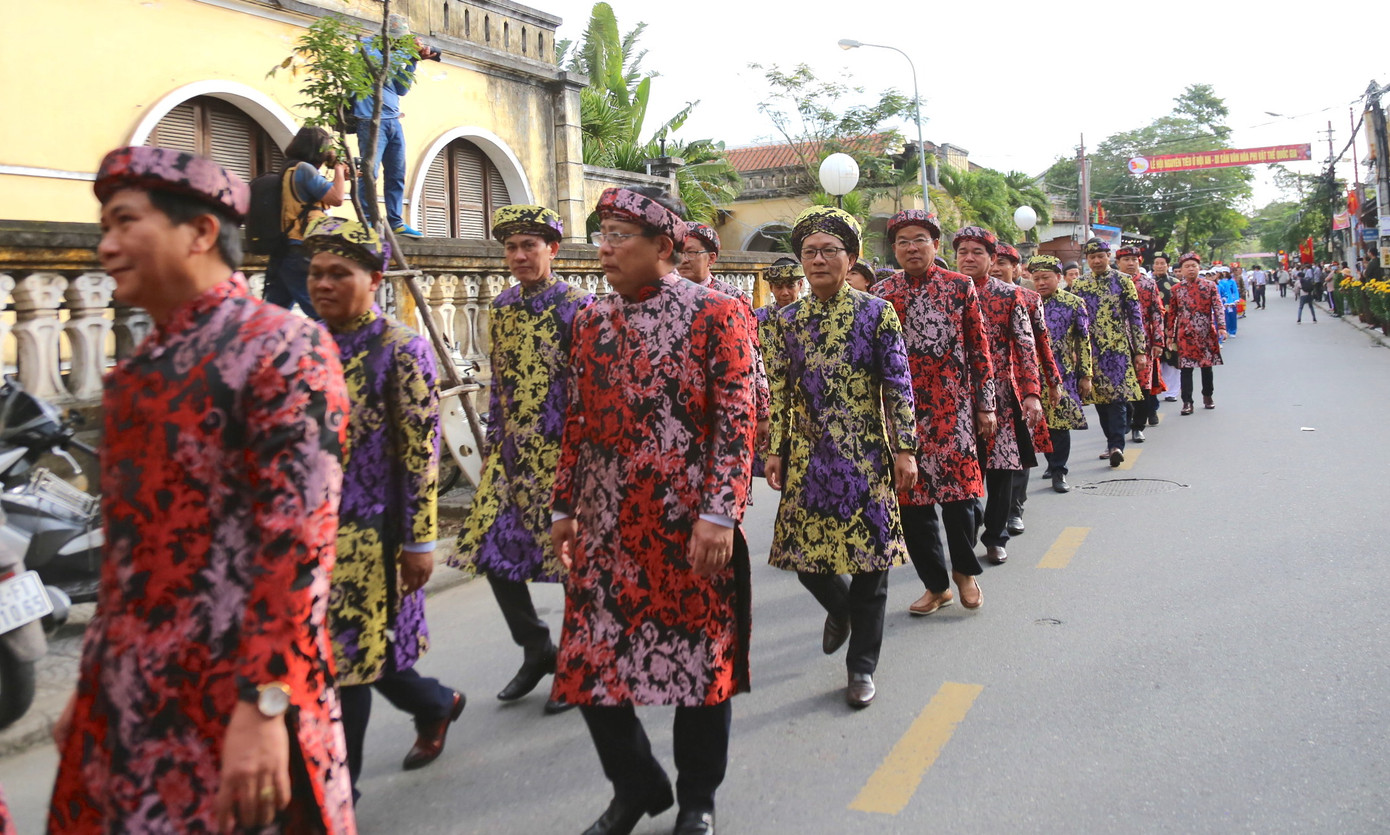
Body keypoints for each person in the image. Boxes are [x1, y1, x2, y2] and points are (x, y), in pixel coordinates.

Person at [50, 146, 355, 833]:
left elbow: (298, 548)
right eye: (104, 226)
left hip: (237, 698)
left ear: (201, 231)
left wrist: (266, 705)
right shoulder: (135, 375)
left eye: (126, 222)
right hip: (131, 698)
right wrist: (94, 682)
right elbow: (126, 563)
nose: (106, 245)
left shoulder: (282, 348)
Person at [551, 187, 756, 835]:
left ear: (664, 248)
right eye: (602, 233)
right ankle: (637, 784)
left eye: (620, 234)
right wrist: (564, 503)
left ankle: (698, 796)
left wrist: (719, 512)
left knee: (699, 665)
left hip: (690, 525)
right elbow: (576, 419)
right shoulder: (588, 320)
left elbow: (738, 418)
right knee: (589, 663)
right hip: (607, 524)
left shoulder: (718, 314)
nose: (605, 246)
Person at [302, 217, 463, 795]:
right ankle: (437, 702)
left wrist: (420, 543)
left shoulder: (400, 350)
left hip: (373, 538)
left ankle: (338, 792)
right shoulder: (304, 345)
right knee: (354, 653)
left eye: (338, 274)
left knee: (347, 665)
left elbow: (420, 454)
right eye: (316, 273)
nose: (323, 284)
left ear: (374, 278)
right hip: (309, 538)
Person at [764, 207, 916, 710]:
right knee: (806, 563)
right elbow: (779, 393)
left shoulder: (877, 312)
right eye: (810, 252)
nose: (819, 259)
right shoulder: (785, 320)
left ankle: (861, 668)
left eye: (830, 250)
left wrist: (906, 447)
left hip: (867, 453)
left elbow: (897, 384)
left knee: (872, 565)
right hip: (809, 455)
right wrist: (776, 451)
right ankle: (841, 609)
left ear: (850, 259)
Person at [453, 207, 590, 716]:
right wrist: (494, 442)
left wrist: (585, 457)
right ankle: (538, 649)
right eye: (510, 248)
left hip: (564, 456)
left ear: (552, 249)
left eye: (528, 245)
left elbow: (591, 388)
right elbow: (500, 384)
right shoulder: (504, 306)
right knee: (493, 554)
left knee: (574, 562)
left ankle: (578, 663)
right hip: (512, 456)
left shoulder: (580, 306)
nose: (518, 256)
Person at [872, 209, 996, 616]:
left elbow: (980, 349)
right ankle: (936, 585)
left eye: (920, 239)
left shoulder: (960, 288)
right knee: (912, 503)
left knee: (961, 499)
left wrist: (985, 404)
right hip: (901, 413)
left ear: (936, 246)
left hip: (953, 408)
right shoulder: (882, 293)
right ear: (894, 248)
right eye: (904, 240)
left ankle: (964, 571)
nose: (912, 247)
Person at [953, 227, 1045, 565]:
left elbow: (1026, 348)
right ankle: (970, 525)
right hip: (958, 399)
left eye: (977, 252)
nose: (969, 258)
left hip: (1003, 397)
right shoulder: (947, 292)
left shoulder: (1009, 296)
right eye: (963, 251)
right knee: (964, 469)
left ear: (992, 260)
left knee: (1003, 469)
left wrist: (1032, 394)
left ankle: (995, 536)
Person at [679, 222, 770, 455]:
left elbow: (753, 357)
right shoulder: (665, 296)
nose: (683, 259)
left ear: (711, 259)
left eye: (691, 252)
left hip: (723, 407)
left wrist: (763, 413)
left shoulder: (732, 298)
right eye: (678, 251)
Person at [991, 243, 1061, 535]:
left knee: (1019, 448)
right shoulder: (967, 294)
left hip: (1022, 385)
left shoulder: (1030, 299)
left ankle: (1014, 509)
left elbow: (1041, 344)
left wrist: (1052, 382)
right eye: (993, 261)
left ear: (1018, 268)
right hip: (984, 385)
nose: (997, 267)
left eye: (1004, 262)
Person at [354, 13, 440, 239]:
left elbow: (400, 89)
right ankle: (369, 221)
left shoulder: (396, 52)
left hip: (393, 119)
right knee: (369, 173)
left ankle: (395, 221)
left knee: (396, 173)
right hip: (370, 120)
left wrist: (412, 61)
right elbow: (381, 72)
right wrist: (407, 51)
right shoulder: (366, 46)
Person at [1071, 238, 1146, 467]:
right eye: (1092, 257)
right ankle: (1110, 441)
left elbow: (1135, 317)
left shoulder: (1123, 281)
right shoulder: (1079, 285)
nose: (1096, 261)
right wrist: (1074, 352)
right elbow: (1074, 322)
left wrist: (1140, 350)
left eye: (1100, 256)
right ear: (1087, 260)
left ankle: (1116, 446)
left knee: (1118, 399)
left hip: (1118, 350)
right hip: (1091, 352)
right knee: (1100, 401)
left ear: (1108, 257)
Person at [263, 125, 349, 317]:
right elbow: (336, 198)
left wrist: (341, 174)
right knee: (322, 312)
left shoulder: (291, 168)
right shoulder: (304, 170)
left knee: (273, 314)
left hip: (288, 250)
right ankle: (340, 345)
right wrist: (338, 169)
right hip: (301, 249)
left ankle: (259, 345)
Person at [1030, 256, 1091, 493]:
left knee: (1060, 422)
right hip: (1031, 374)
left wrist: (1085, 375)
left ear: (1058, 278)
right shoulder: (1027, 301)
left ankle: (1059, 471)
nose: (1041, 283)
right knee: (1040, 422)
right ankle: (1050, 462)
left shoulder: (1074, 303)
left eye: (1046, 278)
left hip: (1062, 372)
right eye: (1036, 278)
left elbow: (1083, 342)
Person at [752, 258, 803, 479]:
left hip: (803, 409)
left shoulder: (811, 317)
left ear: (800, 285)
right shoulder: (757, 319)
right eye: (778, 286)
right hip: (769, 406)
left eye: (790, 286)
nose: (784, 292)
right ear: (770, 287)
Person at [1116, 245, 1164, 443]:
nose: (1130, 263)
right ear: (1118, 263)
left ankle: (1138, 426)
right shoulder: (1112, 283)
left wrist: (1158, 341)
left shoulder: (1148, 284)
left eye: (1134, 259)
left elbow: (1156, 313)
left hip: (1143, 342)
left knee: (1142, 385)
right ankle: (1122, 424)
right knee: (1120, 386)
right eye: (1126, 259)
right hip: (1116, 343)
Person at [1166, 252, 1225, 413]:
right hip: (1185, 335)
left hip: (1206, 333)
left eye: (1193, 266)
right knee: (1186, 369)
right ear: (1181, 270)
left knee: (1207, 367)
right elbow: (1172, 314)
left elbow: (1218, 307)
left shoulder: (1210, 286)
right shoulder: (1176, 289)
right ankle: (1187, 402)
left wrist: (1221, 326)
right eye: (1187, 266)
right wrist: (1170, 335)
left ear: (1199, 268)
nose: (1191, 269)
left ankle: (1208, 395)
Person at [1150, 252, 1182, 402]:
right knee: (1157, 358)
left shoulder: (1176, 283)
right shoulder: (1147, 282)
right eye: (1157, 263)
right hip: (1153, 326)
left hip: (1172, 326)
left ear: (1168, 265)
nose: (1159, 266)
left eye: (1163, 263)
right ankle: (1157, 388)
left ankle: (1172, 392)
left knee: (1173, 359)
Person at [1216, 267, 1239, 335]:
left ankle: (1232, 330)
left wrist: (1234, 300)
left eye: (1225, 272)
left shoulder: (1230, 281)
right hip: (1220, 301)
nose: (1223, 273)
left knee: (1232, 316)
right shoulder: (1217, 283)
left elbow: (1234, 291)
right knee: (1224, 318)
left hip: (1230, 301)